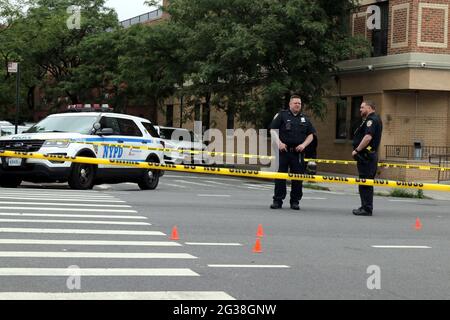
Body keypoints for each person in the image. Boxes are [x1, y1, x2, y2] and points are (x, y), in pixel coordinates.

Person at [269, 95, 316, 210]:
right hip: (283, 151)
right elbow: (272, 130)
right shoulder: (282, 115)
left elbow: (311, 135)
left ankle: (295, 201)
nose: (297, 105)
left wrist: (303, 145)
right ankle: (278, 200)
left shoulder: (304, 118)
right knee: (280, 177)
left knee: (298, 177)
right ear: (290, 104)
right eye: (295, 103)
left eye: (299, 103)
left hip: (297, 153)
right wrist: (279, 143)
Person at [352, 100, 383, 216]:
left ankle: (367, 208)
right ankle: (364, 206)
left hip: (367, 156)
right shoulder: (373, 119)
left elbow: (368, 138)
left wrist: (357, 150)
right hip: (368, 156)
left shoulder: (371, 120)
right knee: (364, 183)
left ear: (369, 108)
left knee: (365, 183)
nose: (360, 109)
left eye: (362, 107)